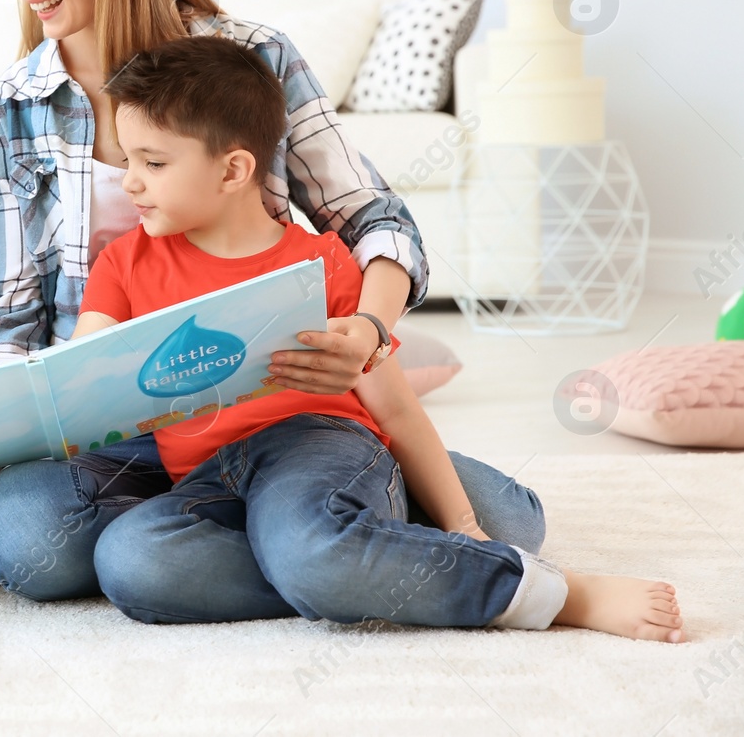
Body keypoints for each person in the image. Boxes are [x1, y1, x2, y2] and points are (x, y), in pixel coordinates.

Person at [0, 0, 544, 601]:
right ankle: (328, 545)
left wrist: (367, 332)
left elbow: (373, 217)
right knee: (21, 541)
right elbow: (8, 324)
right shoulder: (9, 108)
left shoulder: (251, 57)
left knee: (508, 520)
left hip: (282, 411)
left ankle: (330, 518)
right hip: (116, 436)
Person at [82, 34, 682, 640]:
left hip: (316, 447)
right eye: (126, 160)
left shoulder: (320, 266)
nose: (129, 182)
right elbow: (83, 376)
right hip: (209, 476)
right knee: (133, 561)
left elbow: (394, 405)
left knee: (309, 543)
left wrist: (465, 524)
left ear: (234, 169)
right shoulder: (122, 263)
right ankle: (342, 563)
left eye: (152, 163)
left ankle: (552, 592)